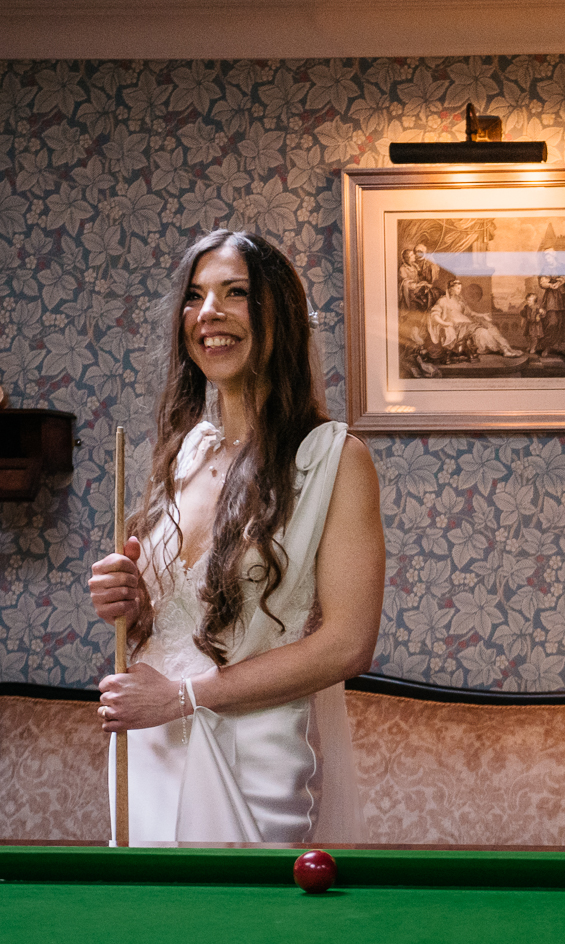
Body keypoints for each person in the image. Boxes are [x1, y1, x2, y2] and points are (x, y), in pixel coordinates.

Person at [88, 228, 385, 845]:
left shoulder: (334, 458)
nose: (208, 314)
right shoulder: (184, 454)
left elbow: (348, 645)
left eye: (235, 293)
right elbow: (173, 620)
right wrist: (129, 603)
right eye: (195, 297)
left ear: (279, 315)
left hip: (254, 754)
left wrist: (184, 698)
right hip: (148, 747)